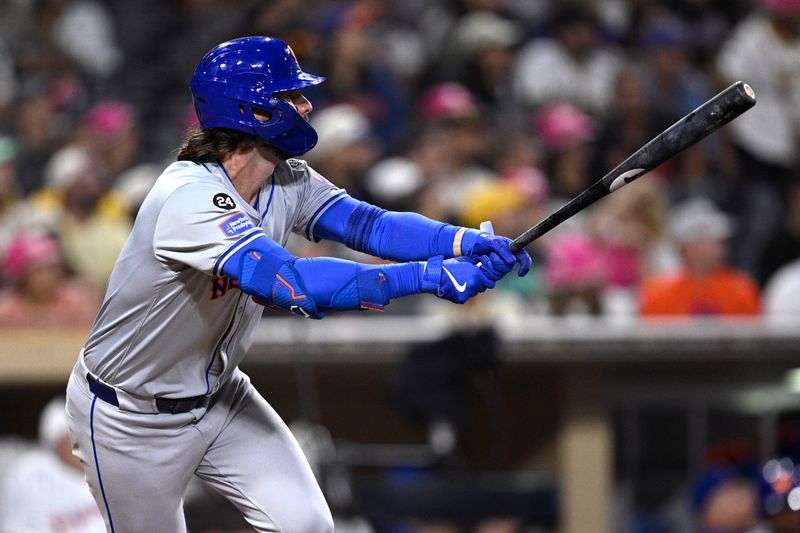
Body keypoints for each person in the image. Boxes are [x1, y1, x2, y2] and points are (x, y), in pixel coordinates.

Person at [64, 36, 530, 533]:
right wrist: (427, 276)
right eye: (290, 97)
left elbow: (371, 225)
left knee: (308, 525)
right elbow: (293, 282)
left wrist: (461, 241)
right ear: (251, 110)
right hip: (128, 417)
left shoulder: (287, 178)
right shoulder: (188, 197)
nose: (306, 105)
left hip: (219, 397)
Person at [639, 196, 760, 316]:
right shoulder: (658, 292)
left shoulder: (741, 289)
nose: (719, 245)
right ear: (687, 247)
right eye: (710, 240)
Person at [0, 396, 106, 532]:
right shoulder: (32, 474)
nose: (86, 445)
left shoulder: (111, 471)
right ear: (56, 444)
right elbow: (12, 528)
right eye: (72, 437)